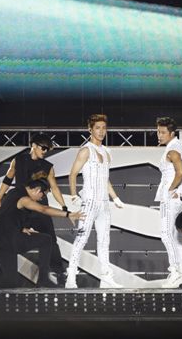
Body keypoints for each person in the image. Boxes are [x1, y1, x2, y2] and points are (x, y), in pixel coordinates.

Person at [0, 179, 84, 288]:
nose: (41, 198)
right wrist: (69, 214)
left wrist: (21, 228)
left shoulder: (13, 192)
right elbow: (43, 209)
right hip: (6, 243)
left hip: (6, 239)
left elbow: (9, 214)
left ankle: (43, 280)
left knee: (45, 240)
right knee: (10, 282)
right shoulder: (24, 199)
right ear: (37, 190)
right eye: (42, 195)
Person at [0, 133, 69, 286]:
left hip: (39, 206)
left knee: (50, 239)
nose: (45, 151)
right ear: (33, 145)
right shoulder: (19, 160)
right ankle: (4, 274)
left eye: (48, 149)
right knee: (11, 237)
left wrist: (64, 206)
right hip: (20, 205)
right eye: (43, 147)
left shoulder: (47, 167)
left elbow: (54, 187)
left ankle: (59, 272)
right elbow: (8, 178)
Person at [66, 114, 125, 288]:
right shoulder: (86, 150)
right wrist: (74, 194)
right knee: (82, 238)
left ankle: (106, 278)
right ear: (90, 129)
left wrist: (116, 197)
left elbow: (104, 179)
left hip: (104, 203)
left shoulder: (107, 152)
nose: (101, 131)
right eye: (97, 128)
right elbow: (72, 174)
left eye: (103, 128)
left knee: (104, 240)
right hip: (89, 201)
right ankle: (71, 278)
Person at [155, 117, 182, 288]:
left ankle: (175, 272)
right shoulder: (180, 146)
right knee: (177, 236)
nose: (159, 135)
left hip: (170, 197)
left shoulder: (172, 150)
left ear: (172, 133)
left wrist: (171, 189)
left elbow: (180, 171)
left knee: (166, 234)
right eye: (158, 131)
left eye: (163, 132)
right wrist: (179, 188)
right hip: (180, 196)